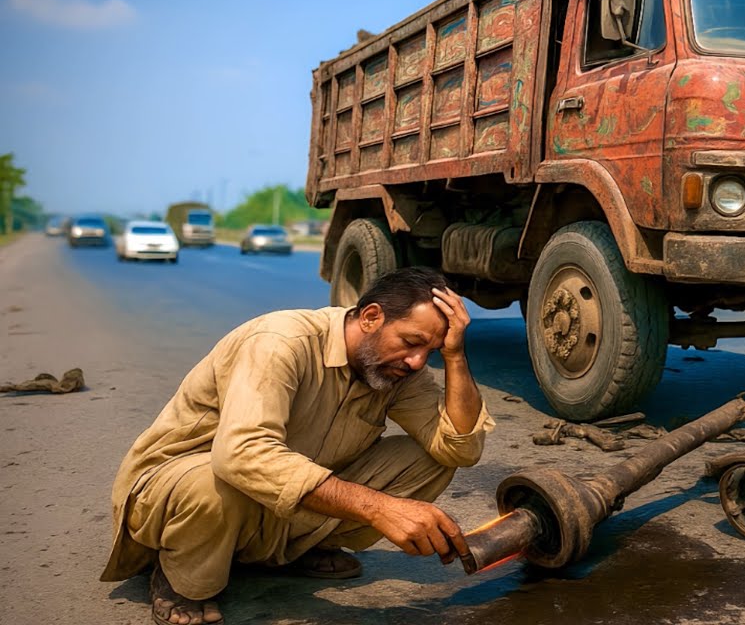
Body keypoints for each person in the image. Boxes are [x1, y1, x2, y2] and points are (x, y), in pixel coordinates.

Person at [100, 266, 495, 624]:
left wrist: (455, 356)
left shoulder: (397, 369)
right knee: (215, 482)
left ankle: (293, 550)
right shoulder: (281, 341)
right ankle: (181, 577)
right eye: (411, 342)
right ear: (371, 317)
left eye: (430, 351)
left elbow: (460, 448)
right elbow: (241, 454)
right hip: (177, 493)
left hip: (273, 504)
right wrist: (379, 508)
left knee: (430, 458)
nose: (417, 362)